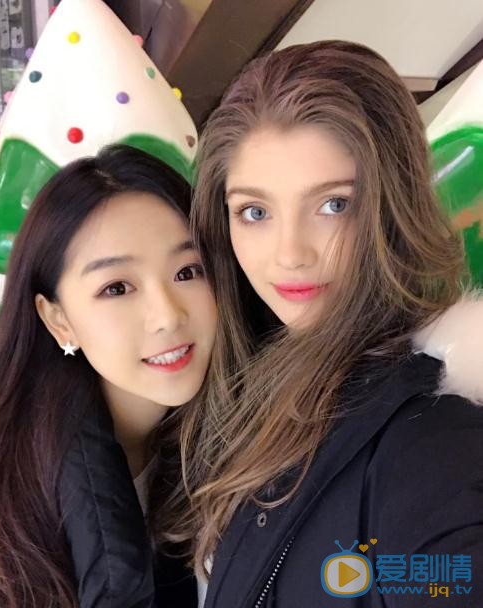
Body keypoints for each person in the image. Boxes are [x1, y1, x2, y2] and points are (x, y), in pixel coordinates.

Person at [185, 40, 483, 607]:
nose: (290, 254)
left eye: (334, 205)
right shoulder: (247, 388)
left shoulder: (433, 437)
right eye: (255, 212)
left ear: (392, 208)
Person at [0, 144, 216, 608]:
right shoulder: (6, 499)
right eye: (117, 287)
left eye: (187, 271)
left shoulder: (235, 444)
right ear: (58, 320)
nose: (167, 316)